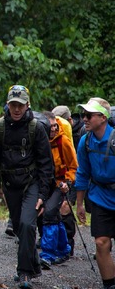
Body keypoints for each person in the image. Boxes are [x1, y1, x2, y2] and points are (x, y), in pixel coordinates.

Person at [0, 85, 54, 288]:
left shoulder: (37, 128)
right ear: (8, 105)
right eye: (13, 105)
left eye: (21, 105)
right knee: (19, 227)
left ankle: (24, 272)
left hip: (31, 183)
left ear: (27, 105)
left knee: (27, 224)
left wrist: (43, 193)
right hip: (10, 184)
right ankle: (33, 266)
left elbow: (46, 164)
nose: (17, 109)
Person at [75, 97, 115, 289]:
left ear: (103, 117)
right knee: (101, 243)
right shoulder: (85, 141)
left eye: (89, 115)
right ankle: (109, 285)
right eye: (84, 115)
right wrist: (80, 203)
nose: (84, 119)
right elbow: (82, 172)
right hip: (99, 196)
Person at [37, 111, 77, 268]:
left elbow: (74, 166)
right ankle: (64, 249)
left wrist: (68, 181)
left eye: (55, 126)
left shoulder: (63, 142)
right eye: (50, 126)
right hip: (43, 183)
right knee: (54, 217)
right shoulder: (40, 140)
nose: (53, 129)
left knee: (49, 214)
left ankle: (47, 255)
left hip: (60, 184)